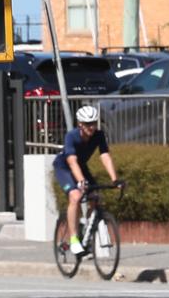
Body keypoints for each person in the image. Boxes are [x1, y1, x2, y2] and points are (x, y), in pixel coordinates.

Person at [53, 104, 122, 255]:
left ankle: (86, 231)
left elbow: (105, 156)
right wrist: (81, 181)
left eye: (94, 123)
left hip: (81, 167)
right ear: (80, 124)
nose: (92, 127)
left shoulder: (99, 135)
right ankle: (73, 239)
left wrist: (115, 179)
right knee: (76, 196)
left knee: (95, 197)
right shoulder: (71, 136)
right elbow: (72, 161)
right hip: (64, 168)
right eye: (88, 124)